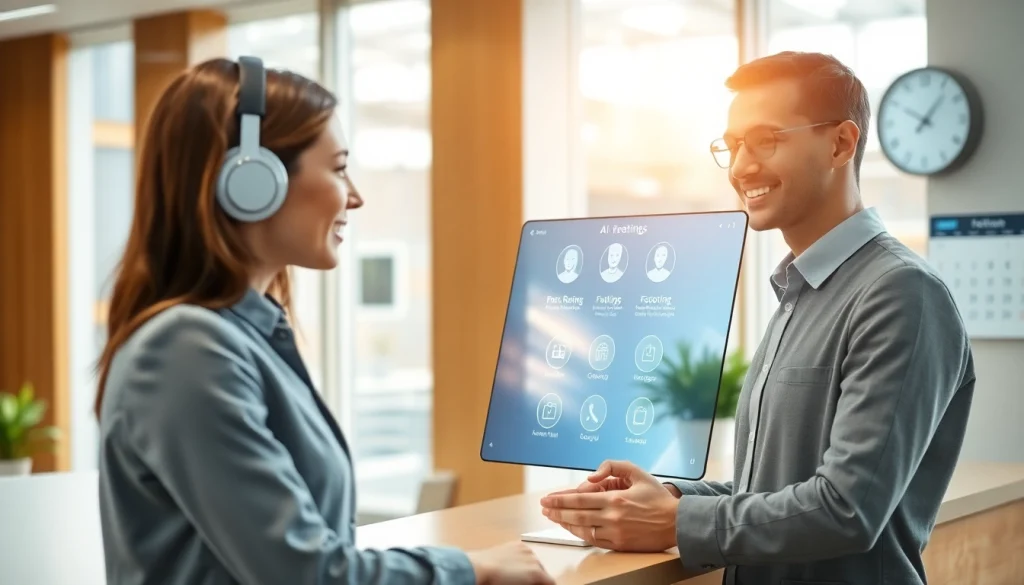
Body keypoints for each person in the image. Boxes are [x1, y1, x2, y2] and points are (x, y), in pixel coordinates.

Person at [94, 56, 553, 585]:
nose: (353, 196)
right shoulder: (184, 352)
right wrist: (473, 568)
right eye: (337, 168)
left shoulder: (242, 338)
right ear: (252, 181)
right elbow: (304, 573)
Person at [539, 51, 975, 585]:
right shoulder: (799, 291)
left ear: (840, 143)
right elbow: (774, 489)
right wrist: (668, 497)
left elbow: (847, 509)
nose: (742, 166)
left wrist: (675, 522)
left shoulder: (901, 294)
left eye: (766, 139)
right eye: (733, 145)